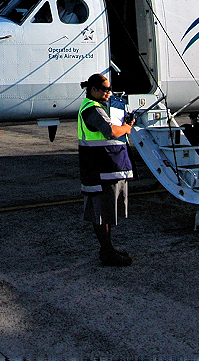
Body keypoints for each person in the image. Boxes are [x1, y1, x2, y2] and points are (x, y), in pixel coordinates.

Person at [77, 72, 135, 266]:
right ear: (93, 90)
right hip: (100, 170)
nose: (109, 93)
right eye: (105, 89)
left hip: (101, 168)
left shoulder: (96, 107)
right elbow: (110, 131)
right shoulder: (93, 110)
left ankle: (108, 249)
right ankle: (107, 252)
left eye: (110, 89)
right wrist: (126, 128)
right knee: (102, 213)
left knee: (105, 212)